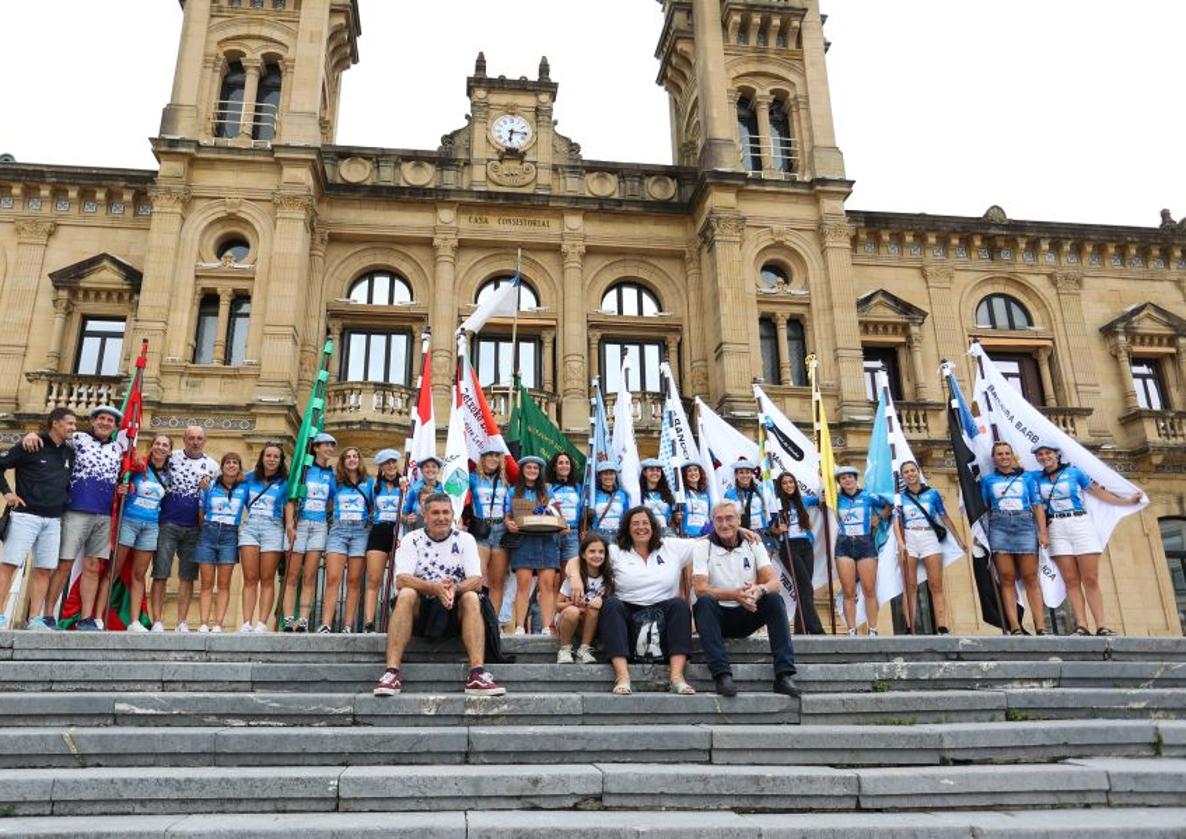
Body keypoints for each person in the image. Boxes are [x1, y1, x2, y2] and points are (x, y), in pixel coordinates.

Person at [372, 493, 506, 697]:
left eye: (446, 513)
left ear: (453, 515)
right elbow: (401, 580)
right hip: (421, 609)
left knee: (471, 596)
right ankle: (392, 672)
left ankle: (477, 674)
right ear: (425, 516)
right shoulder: (411, 539)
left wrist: (454, 589)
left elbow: (476, 581)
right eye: (435, 513)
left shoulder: (465, 539)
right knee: (406, 593)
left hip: (455, 606)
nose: (441, 518)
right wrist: (435, 588)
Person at [22, 405, 123, 631]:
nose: (106, 423)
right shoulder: (77, 439)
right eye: (102, 419)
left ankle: (86, 618)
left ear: (115, 427)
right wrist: (32, 434)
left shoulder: (118, 448)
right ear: (94, 421)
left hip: (104, 514)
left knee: (93, 565)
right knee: (64, 564)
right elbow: (52, 437)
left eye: (110, 421)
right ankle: (48, 614)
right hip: (76, 510)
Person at [1031, 443, 1142, 637]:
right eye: (1040, 454)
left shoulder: (1074, 472)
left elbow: (1096, 491)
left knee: (1090, 578)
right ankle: (1081, 625)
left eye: (1047, 452)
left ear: (1057, 454)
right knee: (1071, 580)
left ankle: (1101, 625)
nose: (1044, 457)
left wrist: (1125, 502)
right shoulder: (1035, 478)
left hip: (1080, 523)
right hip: (1056, 527)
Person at [693, 500, 801, 697]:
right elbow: (700, 588)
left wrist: (759, 590)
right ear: (712, 522)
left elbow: (774, 582)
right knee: (704, 602)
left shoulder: (753, 543)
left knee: (774, 599)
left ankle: (784, 675)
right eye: (719, 520)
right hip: (718, 617)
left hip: (747, 611)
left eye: (730, 519)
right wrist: (735, 594)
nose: (724, 524)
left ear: (739, 520)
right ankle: (722, 675)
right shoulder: (703, 547)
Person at [597, 506, 702, 696]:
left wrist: (740, 530)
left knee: (679, 604)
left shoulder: (670, 546)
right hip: (628, 612)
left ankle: (677, 677)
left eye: (645, 523)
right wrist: (576, 577)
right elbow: (580, 558)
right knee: (611, 604)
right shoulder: (614, 551)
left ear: (653, 526)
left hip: (664, 612)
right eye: (635, 523)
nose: (641, 527)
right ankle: (622, 676)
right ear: (627, 528)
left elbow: (705, 543)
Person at [0, 407, 77, 631]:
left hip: (53, 520)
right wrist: (7, 493)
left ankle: (35, 619)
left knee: (44, 569)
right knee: (9, 565)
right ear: (55, 423)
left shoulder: (69, 452)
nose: (73, 428)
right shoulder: (31, 445)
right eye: (70, 423)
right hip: (25, 516)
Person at [152, 425, 220, 632]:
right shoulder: (171, 457)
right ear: (184, 439)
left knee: (187, 576)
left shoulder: (213, 466)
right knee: (160, 573)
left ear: (205, 441)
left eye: (199, 438)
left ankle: (181, 621)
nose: (195, 442)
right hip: (168, 522)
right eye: (191, 438)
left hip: (195, 527)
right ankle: (157, 621)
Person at [983, 441, 1048, 635]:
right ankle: (1014, 625)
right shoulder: (988, 480)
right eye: (999, 454)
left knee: (1030, 578)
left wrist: (1042, 532)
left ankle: (1041, 626)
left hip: (1024, 525)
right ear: (994, 458)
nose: (1003, 457)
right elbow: (985, 506)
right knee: (1006, 578)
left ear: (1013, 456)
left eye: (1007, 453)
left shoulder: (1027, 478)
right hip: (999, 526)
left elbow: (1037, 505)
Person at [894, 460, 964, 635]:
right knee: (910, 586)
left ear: (918, 472)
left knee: (936, 585)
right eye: (906, 472)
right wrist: (901, 543)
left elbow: (944, 517)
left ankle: (942, 625)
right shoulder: (900, 497)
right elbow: (896, 521)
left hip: (929, 537)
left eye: (912, 470)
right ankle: (910, 627)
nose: (910, 474)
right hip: (910, 536)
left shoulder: (932, 494)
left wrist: (959, 539)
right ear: (902, 477)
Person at [115, 434, 172, 631]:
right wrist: (123, 487)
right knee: (113, 571)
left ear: (170, 451)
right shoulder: (138, 466)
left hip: (151, 526)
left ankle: (134, 621)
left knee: (139, 574)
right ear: (152, 446)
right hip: (129, 521)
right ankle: (97, 617)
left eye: (165, 445)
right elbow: (122, 479)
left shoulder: (169, 473)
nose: (161, 447)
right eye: (157, 443)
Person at [281, 432, 337, 632]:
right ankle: (288, 618)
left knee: (310, 575)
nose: (330, 449)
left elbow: (332, 501)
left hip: (319, 526)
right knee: (292, 574)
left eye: (332, 446)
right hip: (300, 524)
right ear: (315, 448)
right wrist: (289, 524)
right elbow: (291, 499)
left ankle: (303, 619)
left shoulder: (331, 475)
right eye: (326, 445)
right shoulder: (304, 470)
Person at [505, 455, 562, 635]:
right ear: (522, 470)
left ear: (540, 472)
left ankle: (547, 626)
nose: (532, 471)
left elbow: (555, 512)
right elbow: (507, 514)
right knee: (524, 585)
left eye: (535, 468)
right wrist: (509, 523)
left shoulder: (547, 491)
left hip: (547, 540)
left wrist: (560, 521)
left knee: (547, 585)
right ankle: (520, 626)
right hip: (524, 540)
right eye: (529, 467)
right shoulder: (513, 491)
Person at [238, 443, 291, 633]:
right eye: (268, 455)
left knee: (267, 578)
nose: (271, 459)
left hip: (273, 527)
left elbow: (288, 507)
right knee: (250, 577)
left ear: (280, 460)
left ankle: (261, 622)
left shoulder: (285, 482)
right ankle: (246, 622)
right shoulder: (248, 478)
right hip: (251, 526)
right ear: (262, 458)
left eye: (276, 457)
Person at [320, 446, 373, 633]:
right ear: (343, 461)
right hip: (338, 530)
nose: (352, 459)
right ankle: (326, 623)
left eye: (355, 456)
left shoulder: (370, 483)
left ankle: (348, 625)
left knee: (353, 580)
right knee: (333, 578)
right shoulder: (336, 482)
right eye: (348, 457)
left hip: (360, 532)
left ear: (359, 460)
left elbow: (376, 506)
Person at [834, 465, 891, 636]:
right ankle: (852, 629)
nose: (847, 480)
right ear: (839, 482)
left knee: (869, 589)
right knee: (848, 591)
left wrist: (879, 517)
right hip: (844, 545)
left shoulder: (867, 496)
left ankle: (873, 629)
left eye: (850, 477)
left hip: (865, 543)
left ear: (855, 478)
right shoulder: (835, 499)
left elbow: (889, 504)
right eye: (843, 478)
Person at [195, 452, 249, 632]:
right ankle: (203, 622)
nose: (231, 465)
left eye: (235, 462)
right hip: (208, 532)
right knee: (206, 582)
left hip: (230, 535)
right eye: (228, 462)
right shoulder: (210, 485)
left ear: (239, 467)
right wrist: (206, 528)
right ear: (222, 466)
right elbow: (201, 510)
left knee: (224, 583)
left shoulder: (244, 488)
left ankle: (218, 623)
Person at [769, 471, 824, 635]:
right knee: (806, 587)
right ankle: (816, 629)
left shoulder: (803, 501)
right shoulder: (776, 503)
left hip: (806, 546)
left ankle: (800, 629)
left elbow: (822, 499)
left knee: (803, 589)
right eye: (785, 483)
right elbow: (770, 527)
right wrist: (778, 529)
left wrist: (824, 478)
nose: (788, 485)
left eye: (791, 482)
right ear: (780, 486)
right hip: (788, 546)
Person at [363, 449, 406, 633]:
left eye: (393, 462)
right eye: (387, 463)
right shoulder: (374, 486)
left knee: (399, 579)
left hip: (399, 531)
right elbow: (368, 507)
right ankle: (369, 622)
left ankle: (397, 620)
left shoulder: (405, 484)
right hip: (379, 531)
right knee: (374, 579)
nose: (391, 466)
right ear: (381, 466)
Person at [555, 532, 612, 664]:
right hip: (568, 620)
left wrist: (602, 601)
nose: (597, 555)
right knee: (572, 612)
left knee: (594, 608)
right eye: (592, 551)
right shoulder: (574, 578)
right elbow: (558, 606)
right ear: (583, 554)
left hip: (590, 623)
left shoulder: (608, 577)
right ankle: (565, 649)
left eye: (601, 552)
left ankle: (584, 649)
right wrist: (573, 605)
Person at [469, 447, 510, 614]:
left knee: (497, 582)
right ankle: (478, 618)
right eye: (489, 455)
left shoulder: (505, 481)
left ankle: (492, 620)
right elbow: (457, 494)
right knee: (479, 578)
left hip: (501, 530)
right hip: (481, 529)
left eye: (496, 456)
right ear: (482, 459)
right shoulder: (472, 478)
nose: (493, 459)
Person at [547, 452, 584, 574]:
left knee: (569, 575)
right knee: (552, 576)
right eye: (560, 463)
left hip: (572, 534)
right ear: (554, 467)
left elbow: (582, 510)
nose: (564, 465)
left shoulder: (578, 488)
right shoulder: (547, 487)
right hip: (551, 534)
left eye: (567, 463)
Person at [724, 459, 769, 537]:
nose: (745, 475)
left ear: (752, 474)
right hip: (741, 533)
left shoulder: (761, 491)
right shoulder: (729, 494)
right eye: (741, 472)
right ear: (736, 475)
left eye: (748, 472)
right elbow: (727, 516)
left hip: (761, 532)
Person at [589, 463, 628, 540]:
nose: (608, 477)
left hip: (618, 535)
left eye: (611, 474)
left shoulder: (622, 494)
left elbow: (626, 515)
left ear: (615, 476)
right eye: (605, 474)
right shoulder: (593, 494)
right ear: (600, 476)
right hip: (599, 535)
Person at [639, 459, 679, 536]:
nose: (655, 473)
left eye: (658, 470)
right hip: (645, 533)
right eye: (651, 470)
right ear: (644, 473)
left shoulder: (667, 494)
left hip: (666, 533)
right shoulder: (638, 494)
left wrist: (676, 517)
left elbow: (672, 519)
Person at [402, 456, 442, 531]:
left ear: (438, 470)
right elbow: (403, 514)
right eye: (427, 467)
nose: (430, 469)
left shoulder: (444, 489)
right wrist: (407, 519)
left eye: (434, 466)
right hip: (418, 532)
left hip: (439, 531)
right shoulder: (414, 489)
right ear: (421, 470)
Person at [679, 461, 712, 538]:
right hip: (687, 536)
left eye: (695, 470)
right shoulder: (681, 493)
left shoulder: (705, 494)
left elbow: (709, 515)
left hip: (704, 536)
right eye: (689, 471)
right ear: (684, 474)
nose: (693, 473)